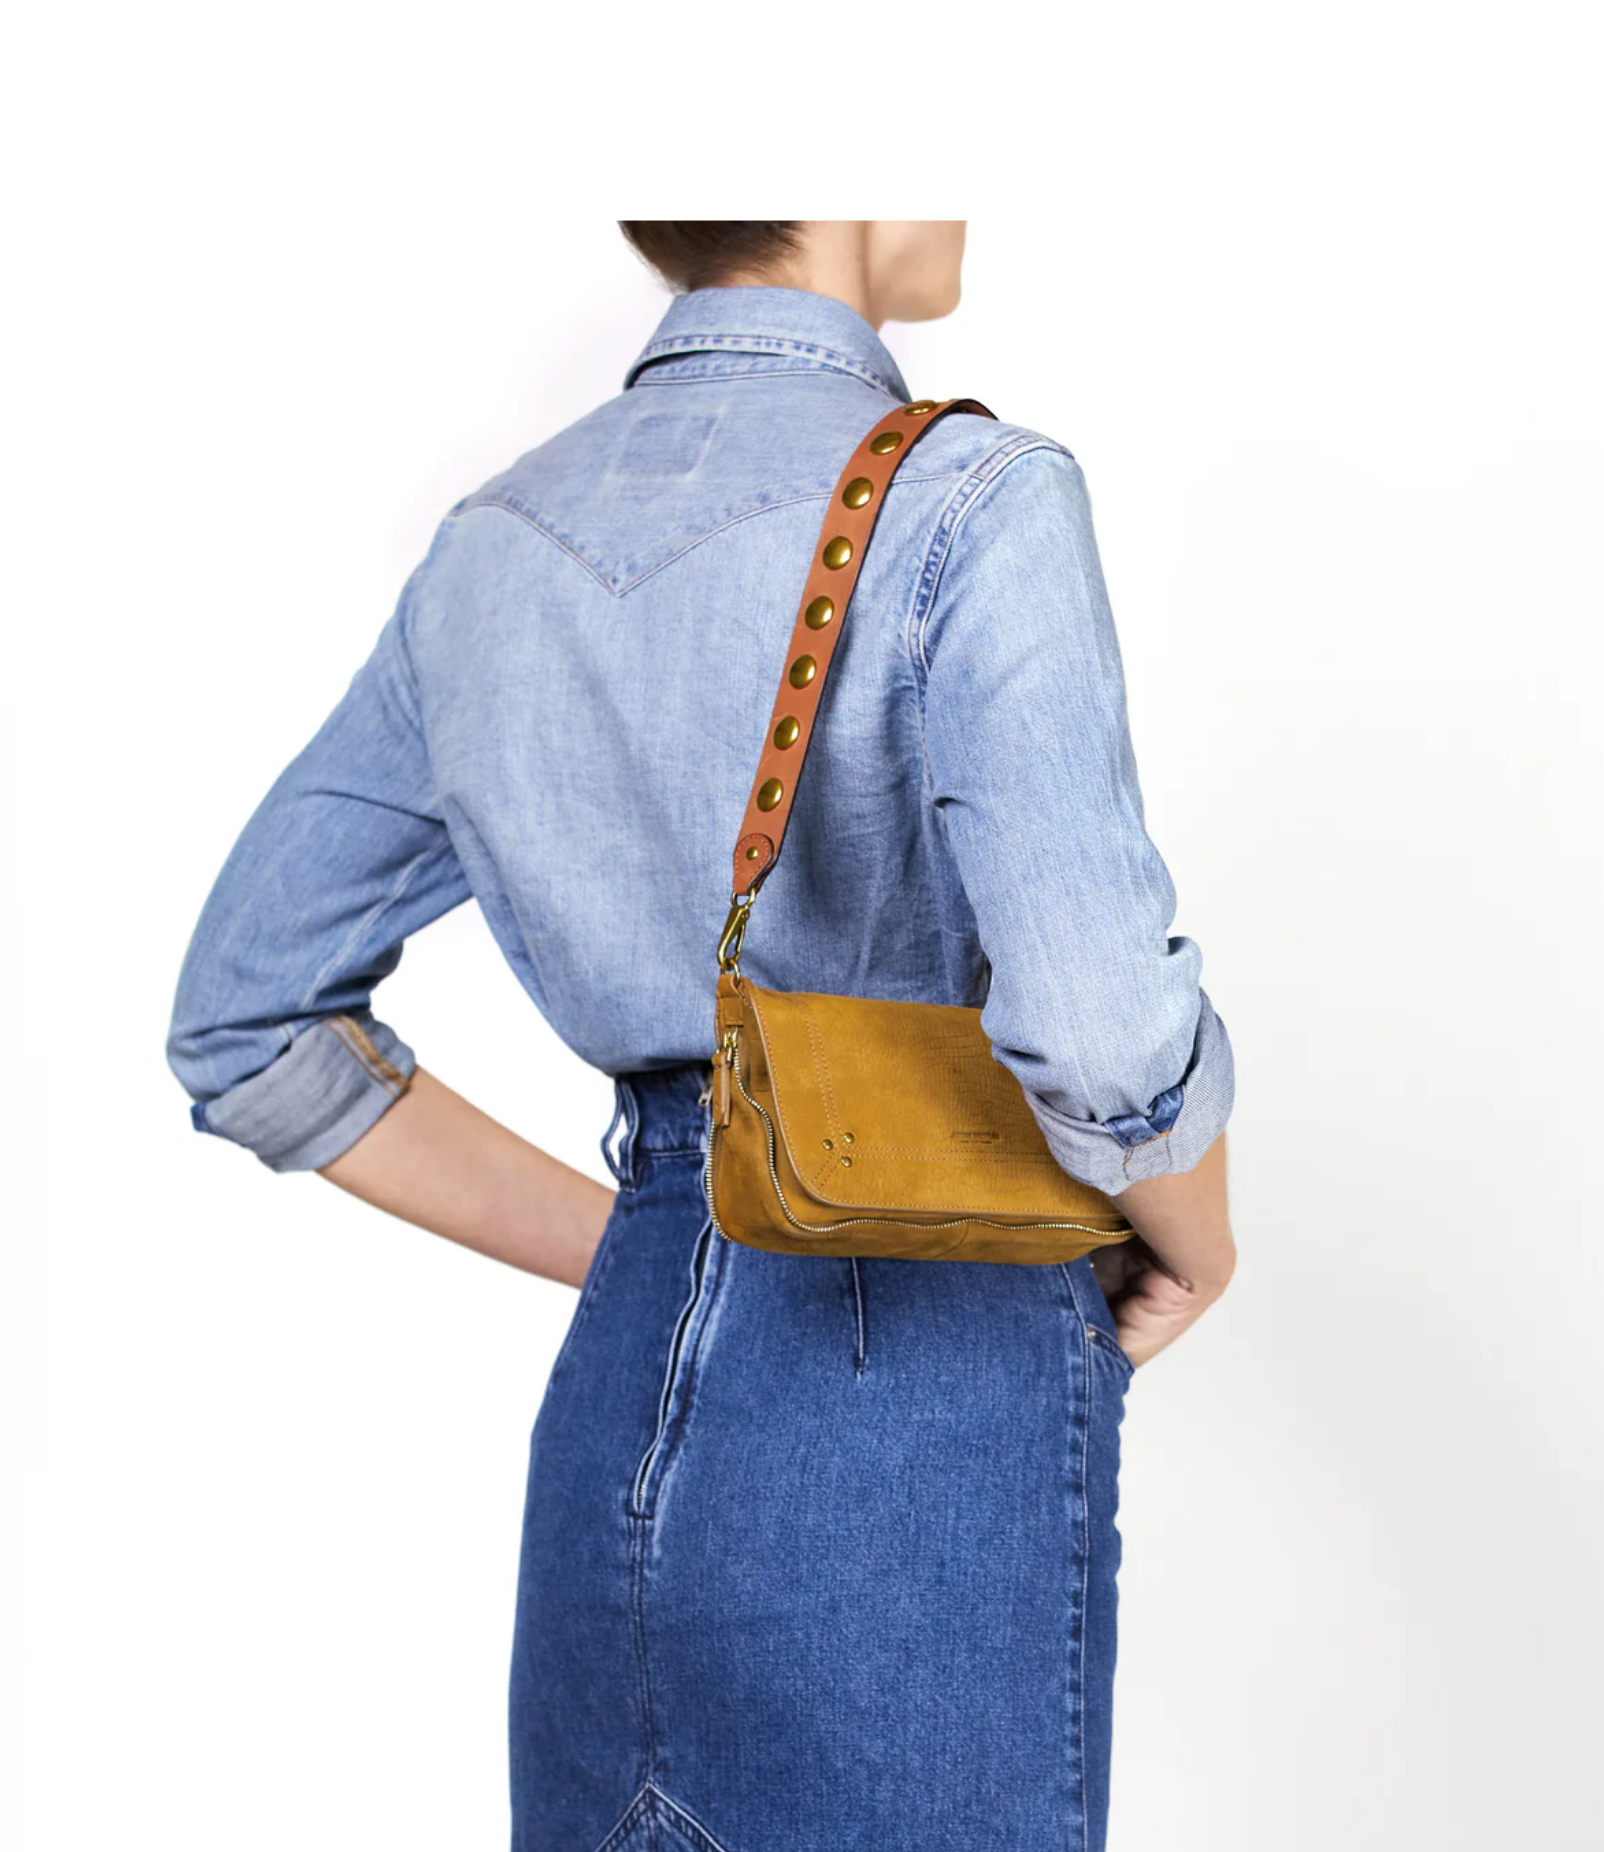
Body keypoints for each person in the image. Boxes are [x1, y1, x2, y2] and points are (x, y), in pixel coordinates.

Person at [168, 220, 1236, 1852]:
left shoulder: (491, 548)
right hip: (917, 1387)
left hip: (624, 1384)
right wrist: (1199, 1239)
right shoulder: (974, 500)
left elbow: (245, 1013)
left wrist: (652, 1235)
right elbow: (1101, 1038)